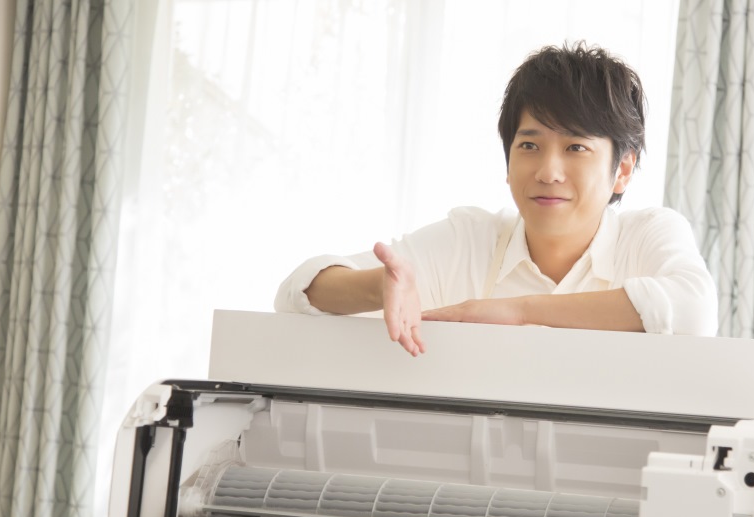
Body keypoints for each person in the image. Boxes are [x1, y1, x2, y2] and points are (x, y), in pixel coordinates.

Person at [274, 42, 717, 356]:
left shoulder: (647, 236)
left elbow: (695, 310)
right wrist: (380, 286)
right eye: (529, 145)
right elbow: (297, 291)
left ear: (622, 170)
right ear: (508, 163)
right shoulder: (471, 239)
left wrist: (517, 312)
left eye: (576, 147)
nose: (548, 171)